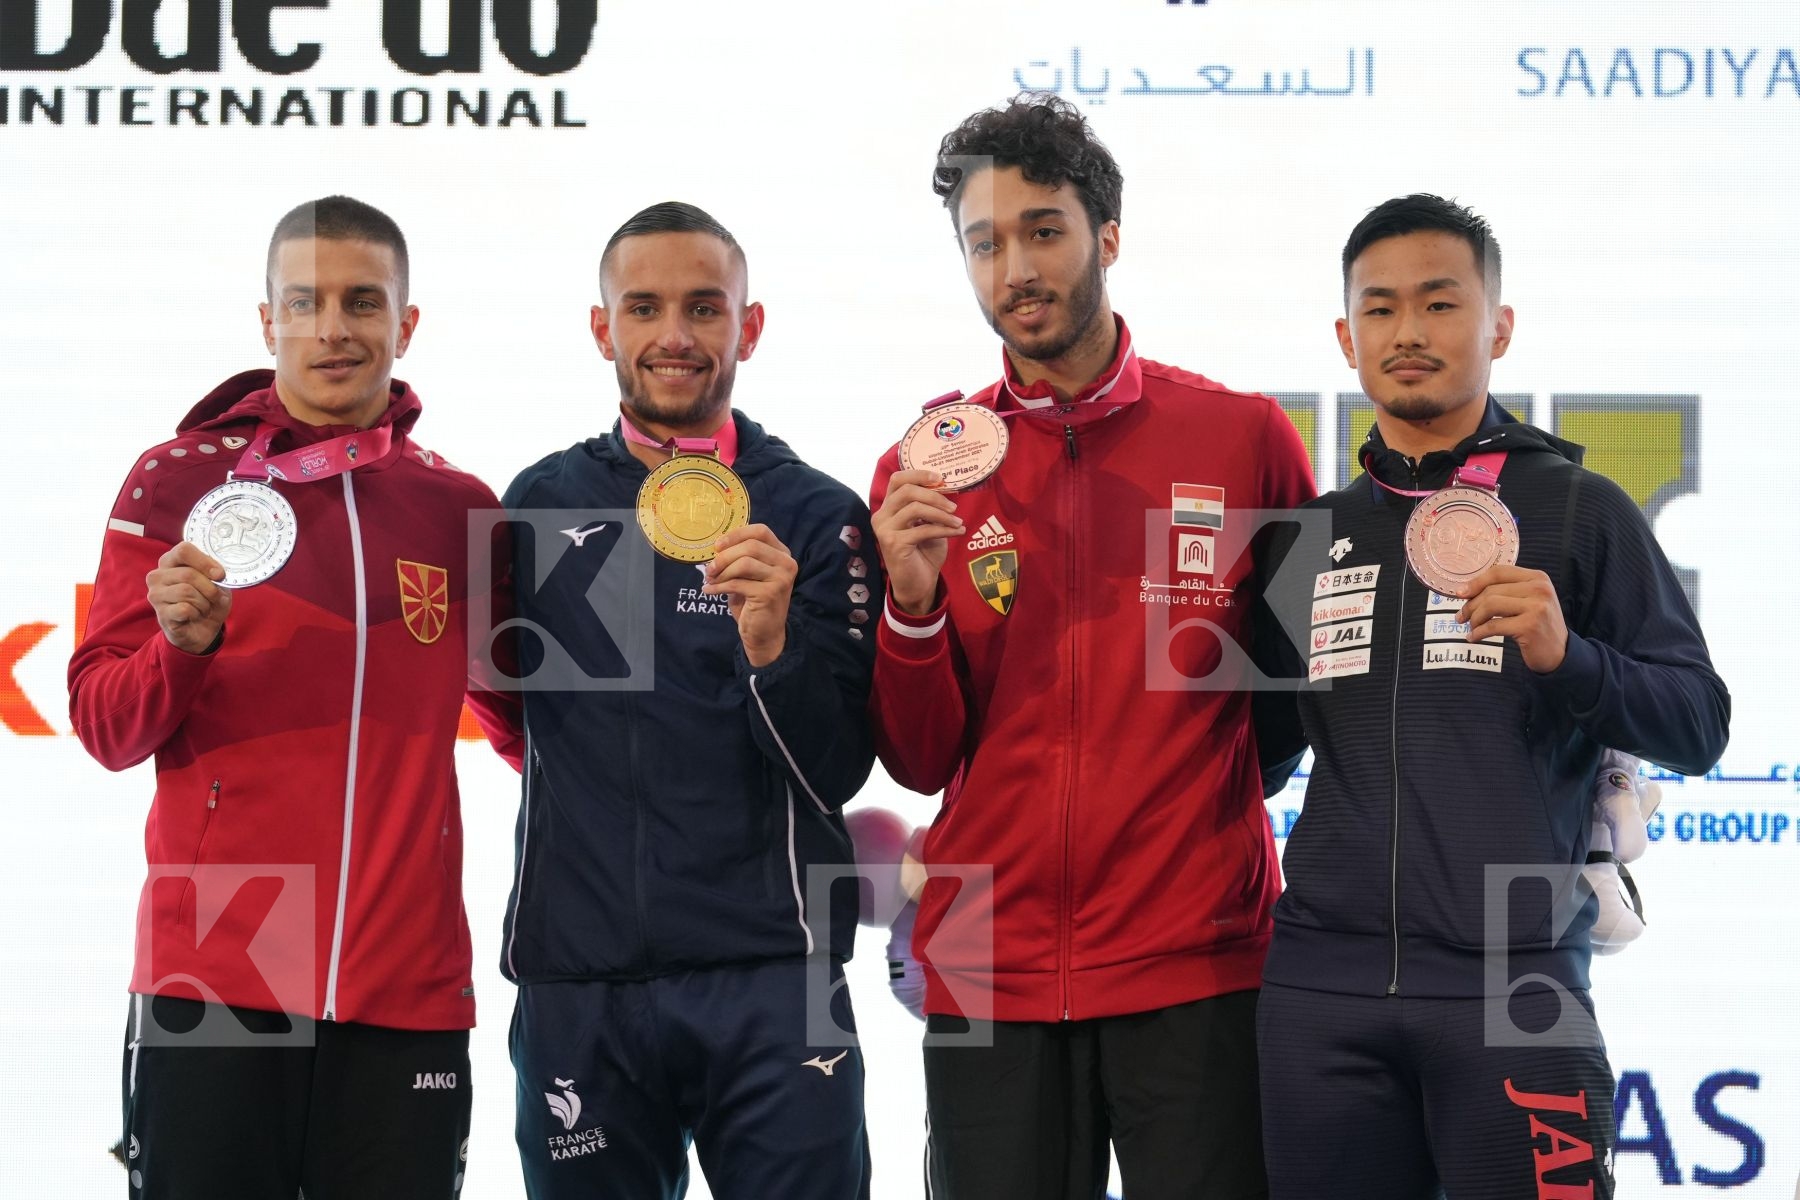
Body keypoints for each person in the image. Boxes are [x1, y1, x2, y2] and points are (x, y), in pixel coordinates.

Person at [868, 94, 1315, 1199]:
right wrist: (912, 605)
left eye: (1042, 231)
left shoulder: (1244, 438)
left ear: (1106, 238)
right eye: (985, 242)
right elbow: (922, 762)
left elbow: (1294, 704)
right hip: (982, 960)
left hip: (1195, 960)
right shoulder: (920, 473)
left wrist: (1188, 827)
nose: (1015, 266)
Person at [1254, 194, 1731, 1199]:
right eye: (1380, 310)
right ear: (1346, 338)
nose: (1410, 332)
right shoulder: (1309, 533)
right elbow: (1246, 758)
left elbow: (1699, 724)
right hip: (1319, 993)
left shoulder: (1576, 508)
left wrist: (1570, 657)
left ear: (1498, 326)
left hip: (1517, 984)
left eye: (1440, 303)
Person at [69, 195, 517, 1199]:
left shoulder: (461, 508)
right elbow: (103, 723)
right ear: (266, 320)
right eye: (305, 302)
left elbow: (523, 725)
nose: (333, 328)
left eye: (363, 302)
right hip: (221, 964)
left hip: (408, 976)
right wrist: (179, 650)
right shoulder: (178, 478)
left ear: (405, 325)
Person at [497, 201, 878, 1199]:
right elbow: (512, 719)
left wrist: (771, 649)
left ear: (748, 327)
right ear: (602, 327)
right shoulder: (539, 504)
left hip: (775, 982)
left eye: (705, 308)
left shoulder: (813, 510)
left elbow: (839, 767)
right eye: (646, 307)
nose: (675, 335)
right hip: (581, 986)